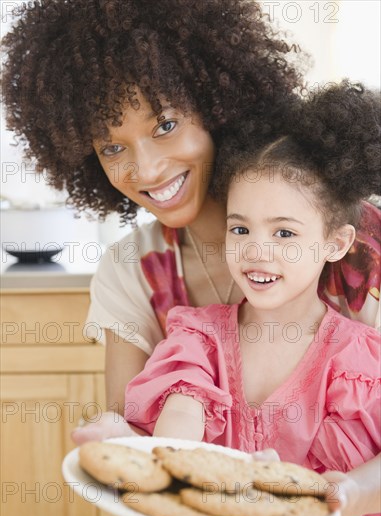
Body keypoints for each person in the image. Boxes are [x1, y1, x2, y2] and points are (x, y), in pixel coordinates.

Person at [1, 3, 379, 432]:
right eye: (112, 148)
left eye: (165, 125)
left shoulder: (361, 244)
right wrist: (109, 438)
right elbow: (132, 443)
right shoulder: (132, 271)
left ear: (218, 106)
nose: (145, 169)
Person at [120, 82, 380, 516]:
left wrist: (343, 493)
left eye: (284, 233)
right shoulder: (198, 339)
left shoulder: (357, 361)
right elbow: (179, 419)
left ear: (336, 244)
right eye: (240, 228)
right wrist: (127, 441)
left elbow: (358, 494)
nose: (257, 251)